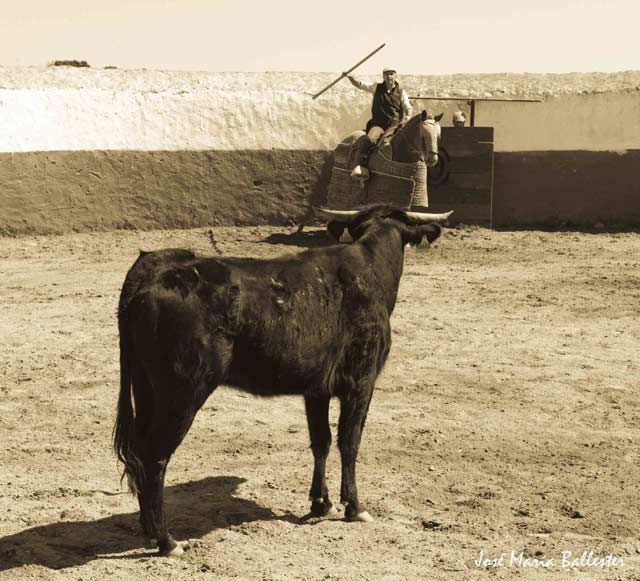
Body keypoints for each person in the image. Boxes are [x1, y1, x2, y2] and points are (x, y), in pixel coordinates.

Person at [345, 66, 412, 179]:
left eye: (391, 74)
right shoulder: (376, 87)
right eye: (386, 74)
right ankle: (361, 167)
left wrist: (409, 115)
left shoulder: (401, 92)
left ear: (395, 76)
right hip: (379, 124)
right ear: (383, 76)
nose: (389, 76)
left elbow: (408, 107)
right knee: (369, 140)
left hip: (394, 125)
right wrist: (349, 77)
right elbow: (360, 84)